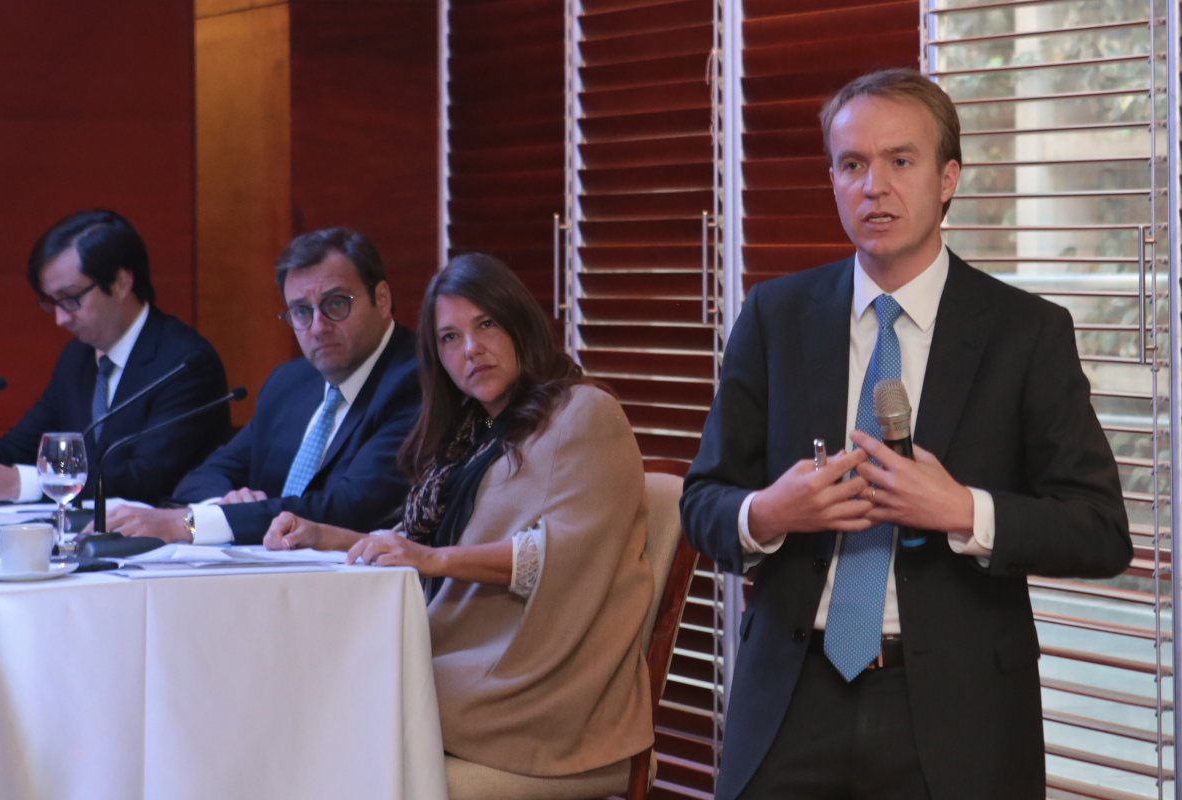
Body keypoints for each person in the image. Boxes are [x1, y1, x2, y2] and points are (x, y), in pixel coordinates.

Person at [680, 69, 1132, 800]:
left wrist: (963, 511)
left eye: (901, 161)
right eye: (852, 164)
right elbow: (702, 502)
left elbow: (1101, 530)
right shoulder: (775, 317)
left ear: (947, 178)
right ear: (831, 179)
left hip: (959, 716)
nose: (874, 186)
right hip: (792, 699)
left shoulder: (1026, 332)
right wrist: (769, 513)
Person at [264, 253, 653, 789]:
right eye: (449, 338)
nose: (471, 349)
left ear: (519, 321)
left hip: (540, 688)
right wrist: (327, 537)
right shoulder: (470, 433)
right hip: (460, 659)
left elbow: (557, 556)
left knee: (327, 701)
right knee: (297, 686)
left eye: (486, 325)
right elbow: (422, 543)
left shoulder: (583, 412)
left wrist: (432, 559)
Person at [105, 227, 420, 545]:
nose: (318, 327)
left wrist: (193, 525)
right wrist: (228, 505)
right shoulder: (290, 384)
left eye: (336, 304)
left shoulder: (415, 381)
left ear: (381, 300)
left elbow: (348, 508)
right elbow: (199, 479)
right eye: (301, 311)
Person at [0, 209, 229, 505]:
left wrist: (28, 483)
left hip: (162, 540)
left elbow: (145, 478)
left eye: (71, 299)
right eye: (53, 302)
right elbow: (25, 446)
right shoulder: (77, 359)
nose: (60, 318)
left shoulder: (185, 363)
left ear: (121, 282)